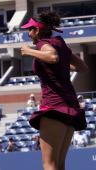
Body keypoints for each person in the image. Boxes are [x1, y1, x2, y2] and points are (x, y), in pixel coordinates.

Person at [21, 11, 88, 170]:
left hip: (54, 108)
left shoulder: (41, 44)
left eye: (30, 29)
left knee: (49, 165)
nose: (28, 33)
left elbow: (52, 57)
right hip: (70, 108)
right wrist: (61, 67)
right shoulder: (60, 42)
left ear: (37, 30)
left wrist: (28, 51)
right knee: (59, 166)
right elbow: (82, 67)